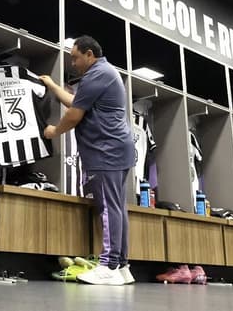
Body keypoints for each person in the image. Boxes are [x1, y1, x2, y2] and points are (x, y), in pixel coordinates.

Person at [40, 35, 135, 286]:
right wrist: (51, 84)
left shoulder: (98, 74)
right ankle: (122, 266)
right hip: (115, 150)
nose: (73, 63)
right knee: (116, 207)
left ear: (90, 54)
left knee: (108, 208)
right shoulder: (102, 74)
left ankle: (109, 266)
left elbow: (73, 115)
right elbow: (75, 101)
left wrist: (54, 131)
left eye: (75, 57)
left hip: (106, 152)